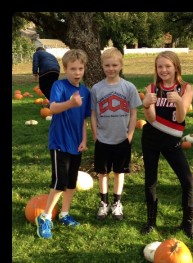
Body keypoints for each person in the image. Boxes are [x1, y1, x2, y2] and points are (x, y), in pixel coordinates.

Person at [141, 50, 193, 240]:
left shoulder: (186, 88)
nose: (164, 70)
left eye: (168, 66)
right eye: (160, 66)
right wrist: (146, 105)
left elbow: (181, 118)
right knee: (151, 180)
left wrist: (179, 102)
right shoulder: (152, 88)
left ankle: (188, 224)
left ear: (176, 67)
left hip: (172, 141)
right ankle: (151, 221)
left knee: (188, 181)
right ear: (156, 69)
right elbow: (150, 119)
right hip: (150, 139)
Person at [35, 49, 91, 239]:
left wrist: (84, 139)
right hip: (59, 142)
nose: (77, 72)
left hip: (76, 143)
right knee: (60, 183)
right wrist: (70, 103)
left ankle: (64, 213)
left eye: (80, 68)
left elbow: (83, 119)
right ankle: (45, 217)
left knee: (71, 182)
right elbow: (52, 108)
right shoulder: (58, 86)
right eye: (73, 69)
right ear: (65, 69)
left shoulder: (85, 92)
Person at [90, 47, 142, 221]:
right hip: (103, 139)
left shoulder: (129, 87)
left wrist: (130, 135)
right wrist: (95, 134)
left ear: (121, 65)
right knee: (102, 173)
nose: (111, 68)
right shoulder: (97, 89)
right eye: (107, 65)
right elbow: (93, 113)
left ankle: (117, 203)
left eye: (114, 65)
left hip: (122, 139)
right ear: (102, 66)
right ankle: (103, 204)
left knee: (120, 172)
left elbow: (134, 113)